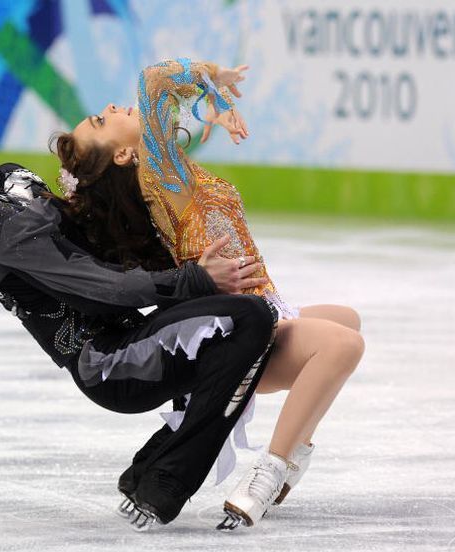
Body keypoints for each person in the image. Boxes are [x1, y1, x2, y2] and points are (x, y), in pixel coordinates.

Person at [0, 96, 280, 531]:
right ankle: (165, 481)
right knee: (248, 318)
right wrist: (193, 280)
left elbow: (94, 241)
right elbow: (96, 285)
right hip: (109, 363)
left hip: (130, 337)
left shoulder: (10, 177)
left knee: (245, 322)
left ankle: (147, 471)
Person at [53, 57, 366, 530]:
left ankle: (295, 450)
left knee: (346, 319)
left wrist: (207, 115)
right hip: (251, 329)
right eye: (102, 119)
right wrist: (210, 79)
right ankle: (271, 468)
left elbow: (174, 122)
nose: (113, 106)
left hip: (269, 307)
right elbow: (154, 80)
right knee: (343, 344)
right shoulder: (159, 177)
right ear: (123, 156)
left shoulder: (169, 170)